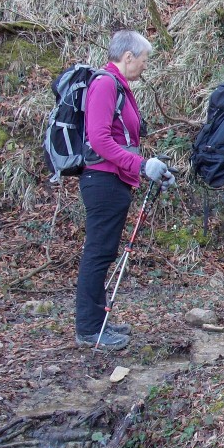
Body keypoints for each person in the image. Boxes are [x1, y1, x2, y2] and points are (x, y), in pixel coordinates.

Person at [75, 30, 175, 351]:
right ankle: (90, 329)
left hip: (113, 180)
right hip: (103, 180)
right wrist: (142, 166)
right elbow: (100, 139)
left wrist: (148, 167)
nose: (145, 66)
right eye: (143, 60)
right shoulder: (106, 83)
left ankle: (98, 320)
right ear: (128, 56)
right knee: (98, 252)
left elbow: (122, 140)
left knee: (103, 252)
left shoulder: (119, 85)